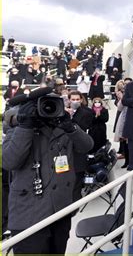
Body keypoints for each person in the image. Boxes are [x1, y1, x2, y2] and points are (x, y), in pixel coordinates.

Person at [2, 91, 94, 254]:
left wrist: (69, 125)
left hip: (60, 211)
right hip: (29, 214)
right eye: (42, 105)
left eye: (51, 104)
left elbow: (86, 146)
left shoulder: (62, 127)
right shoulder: (18, 128)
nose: (46, 109)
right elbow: (9, 161)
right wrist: (26, 126)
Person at [66, 91, 94, 202]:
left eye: (77, 99)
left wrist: (71, 118)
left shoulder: (87, 112)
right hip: (67, 149)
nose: (75, 101)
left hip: (79, 148)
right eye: (73, 99)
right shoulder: (63, 111)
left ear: (81, 100)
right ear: (69, 100)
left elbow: (83, 127)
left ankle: (76, 200)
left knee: (78, 175)